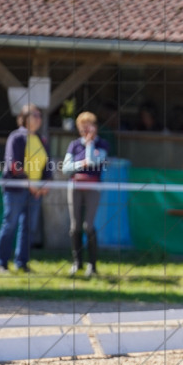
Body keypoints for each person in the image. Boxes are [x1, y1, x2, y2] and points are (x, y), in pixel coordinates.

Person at [0, 104, 51, 273]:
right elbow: (14, 164)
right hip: (16, 189)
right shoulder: (16, 137)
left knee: (29, 227)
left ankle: (22, 263)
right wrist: (30, 185)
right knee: (10, 224)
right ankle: (2, 263)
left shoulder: (41, 139)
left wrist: (46, 183)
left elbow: (47, 166)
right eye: (34, 114)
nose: (38, 118)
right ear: (25, 118)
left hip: (35, 192)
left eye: (39, 115)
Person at [63, 111, 110, 277]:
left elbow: (93, 162)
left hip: (93, 187)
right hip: (75, 187)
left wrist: (89, 145)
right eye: (82, 128)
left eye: (89, 127)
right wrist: (81, 164)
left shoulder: (102, 145)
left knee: (88, 226)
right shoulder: (74, 145)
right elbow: (66, 168)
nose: (86, 131)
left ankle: (93, 266)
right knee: (74, 226)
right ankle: (77, 263)